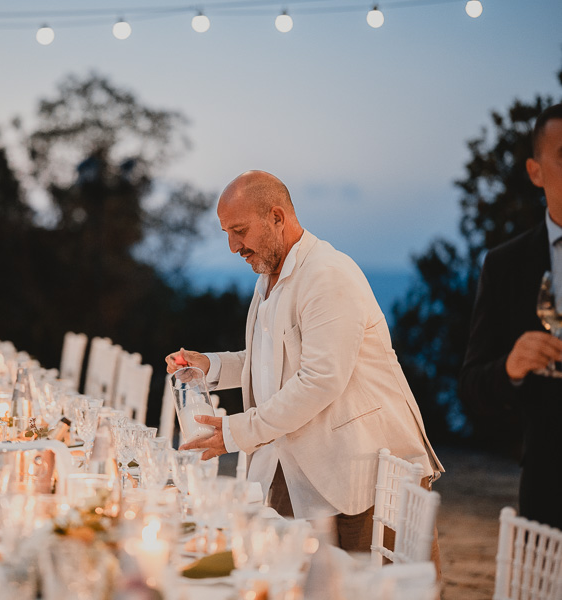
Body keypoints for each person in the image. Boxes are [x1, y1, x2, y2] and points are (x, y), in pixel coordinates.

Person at [166, 170, 443, 553]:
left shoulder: (327, 274)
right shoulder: (269, 280)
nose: (233, 246)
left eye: (240, 230)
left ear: (277, 218)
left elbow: (320, 379)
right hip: (299, 475)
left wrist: (236, 432)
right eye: (227, 232)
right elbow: (269, 359)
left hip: (363, 479)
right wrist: (209, 365)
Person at [460, 103, 562, 530]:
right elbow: (472, 388)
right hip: (549, 492)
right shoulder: (507, 266)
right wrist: (511, 367)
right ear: (536, 172)